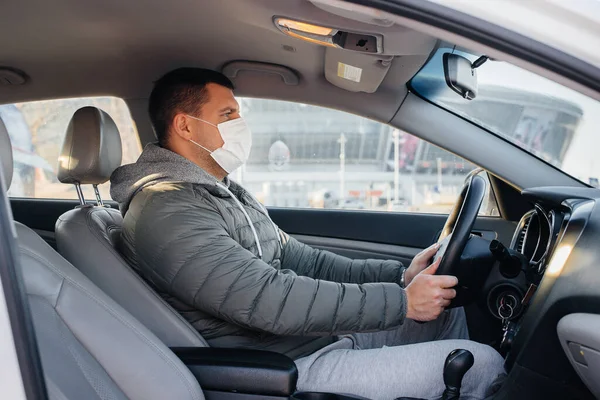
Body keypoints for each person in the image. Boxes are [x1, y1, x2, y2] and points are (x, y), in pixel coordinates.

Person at [110, 68, 505, 400]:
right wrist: (401, 303)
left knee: (445, 313)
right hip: (285, 366)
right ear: (184, 124)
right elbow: (266, 299)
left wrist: (399, 278)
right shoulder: (166, 209)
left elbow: (301, 260)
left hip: (312, 336)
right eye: (228, 114)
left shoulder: (222, 191)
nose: (239, 126)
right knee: (482, 365)